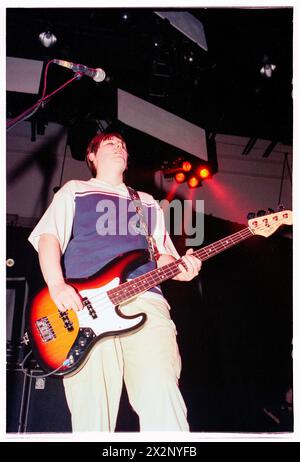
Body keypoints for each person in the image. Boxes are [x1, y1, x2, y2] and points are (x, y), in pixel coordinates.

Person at [28, 132, 201, 432]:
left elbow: (161, 256)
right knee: (92, 408)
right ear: (92, 156)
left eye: (122, 145)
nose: (119, 147)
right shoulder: (75, 190)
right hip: (87, 308)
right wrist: (57, 285)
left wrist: (182, 268)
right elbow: (49, 238)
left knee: (162, 394)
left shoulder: (146, 203)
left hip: (147, 300)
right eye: (110, 144)